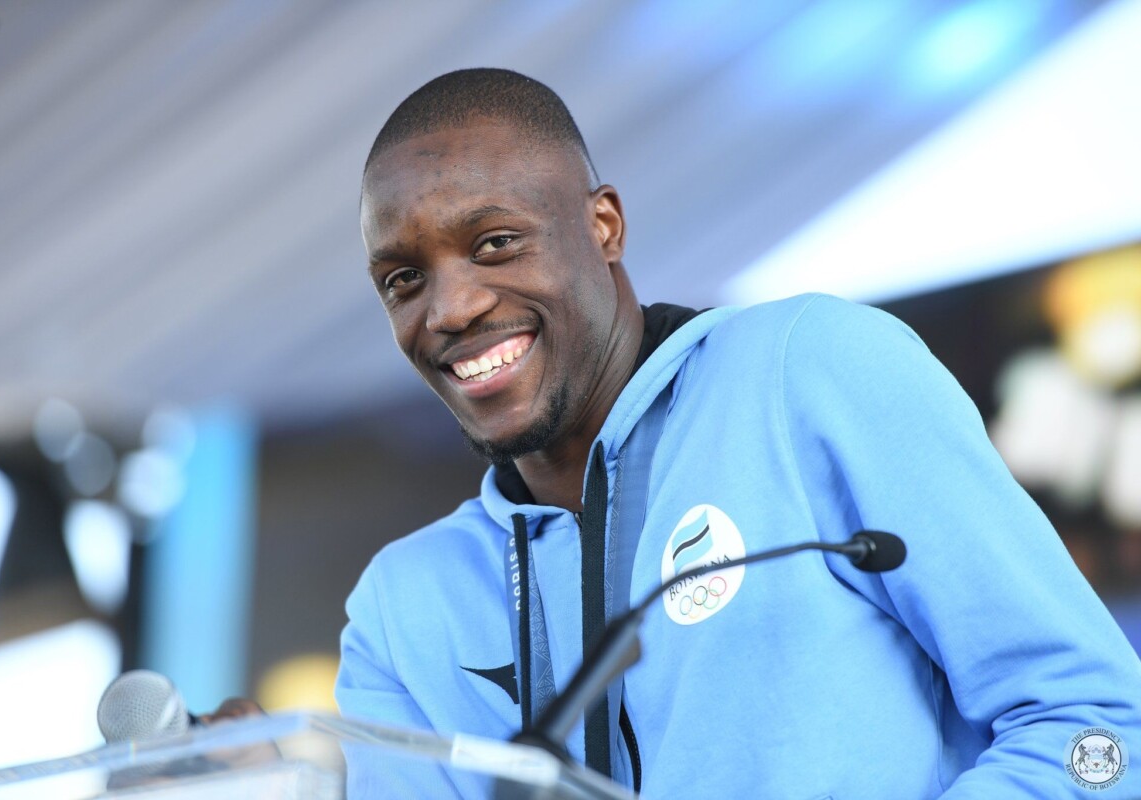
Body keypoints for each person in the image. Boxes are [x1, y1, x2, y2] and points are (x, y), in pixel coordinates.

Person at [335, 67, 1141, 797]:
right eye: (403, 279)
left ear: (604, 225)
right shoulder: (401, 610)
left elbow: (1098, 732)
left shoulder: (813, 369)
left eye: (495, 243)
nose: (450, 309)